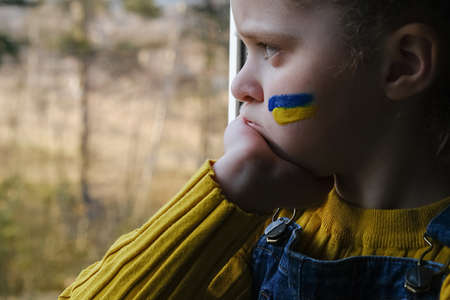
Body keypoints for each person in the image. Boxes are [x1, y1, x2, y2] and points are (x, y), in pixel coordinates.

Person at [59, 0, 450, 299]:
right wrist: (230, 191)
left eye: (269, 47)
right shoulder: (259, 221)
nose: (239, 85)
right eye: (244, 49)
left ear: (402, 64)